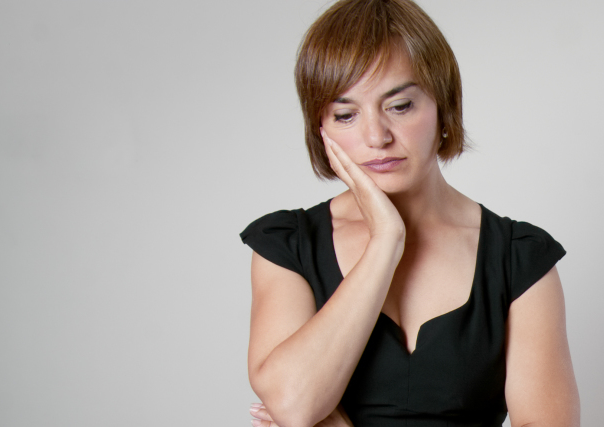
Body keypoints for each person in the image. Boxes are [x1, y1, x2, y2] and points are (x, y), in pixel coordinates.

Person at [238, 1, 580, 426]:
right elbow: (293, 404)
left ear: (442, 107)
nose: (375, 136)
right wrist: (386, 241)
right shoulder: (287, 245)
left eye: (400, 106)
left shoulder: (520, 259)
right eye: (345, 115)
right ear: (320, 128)